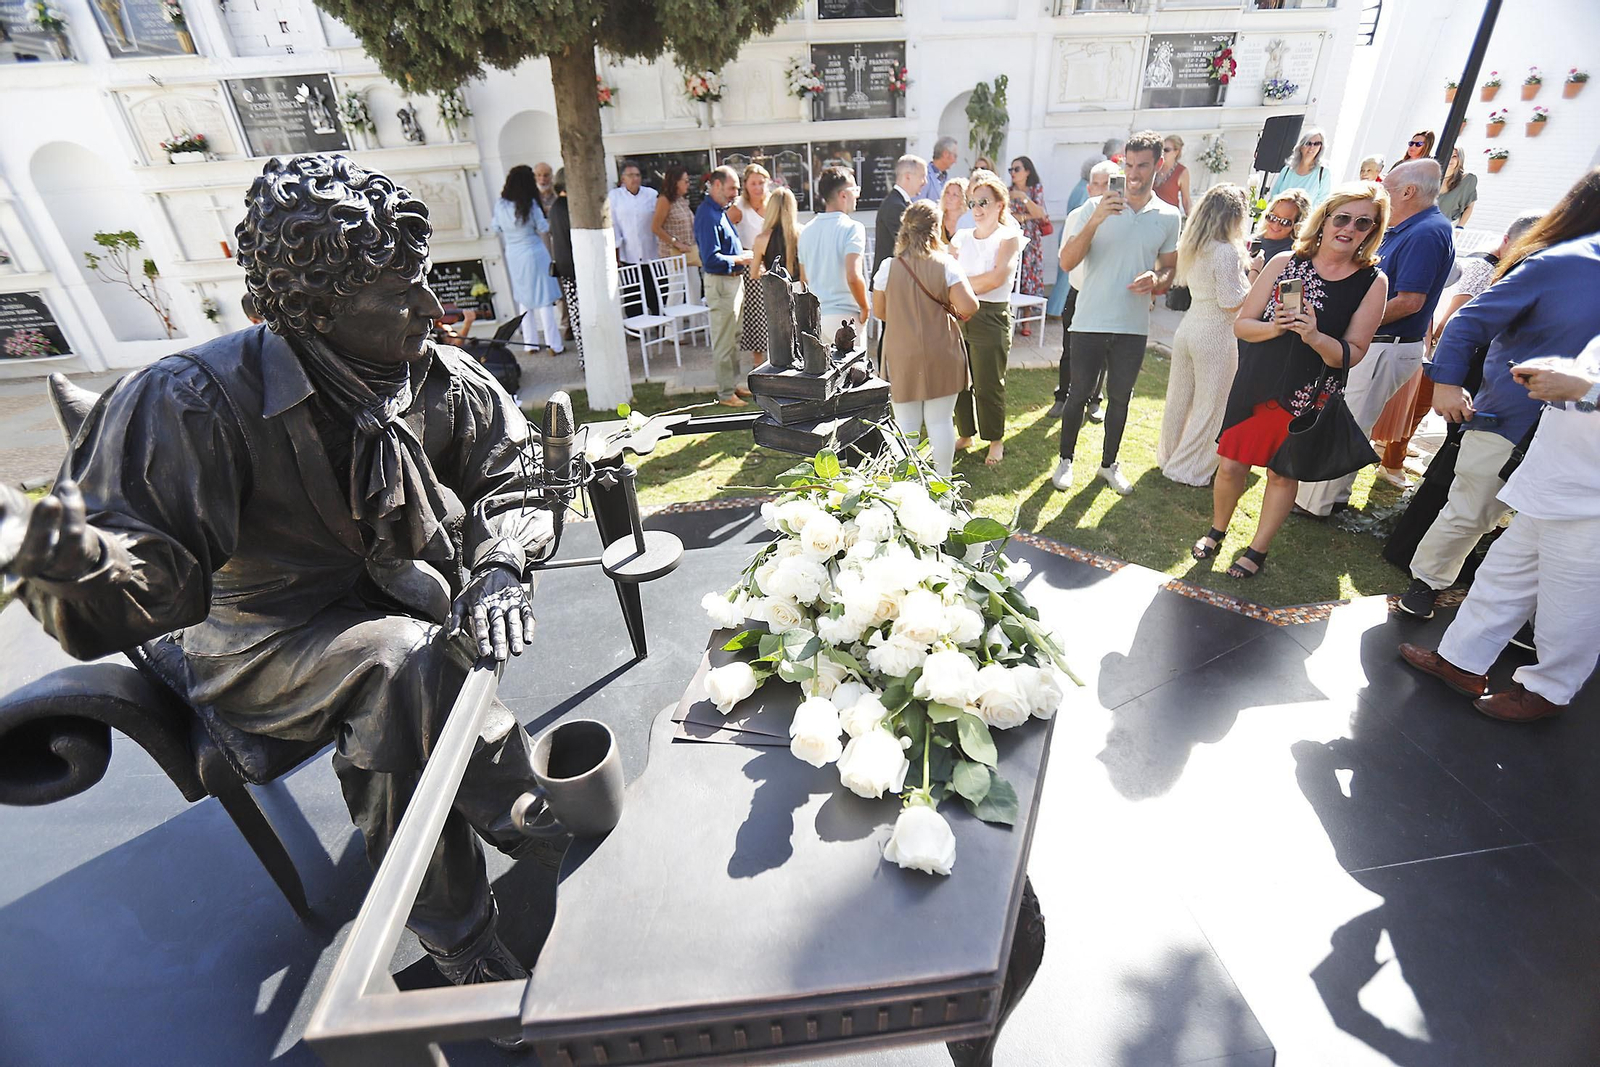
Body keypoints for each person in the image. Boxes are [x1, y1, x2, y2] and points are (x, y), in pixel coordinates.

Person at [6, 155, 553, 1021]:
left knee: (426, 637)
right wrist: (77, 562)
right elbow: (144, 580)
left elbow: (515, 465)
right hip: (254, 638)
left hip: (384, 603)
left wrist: (497, 563)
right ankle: (455, 924)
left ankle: (500, 794)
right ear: (313, 308)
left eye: (423, 278)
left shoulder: (431, 375)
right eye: (398, 291)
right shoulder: (189, 403)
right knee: (399, 660)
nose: (429, 307)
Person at [1397, 170, 1600, 619]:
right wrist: (1446, 385)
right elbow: (1469, 321)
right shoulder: (1556, 264)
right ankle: (1427, 584)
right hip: (1512, 420)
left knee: (1550, 537)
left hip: (1586, 440)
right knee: (1472, 512)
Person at [1399, 335, 1600, 721]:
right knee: (1501, 577)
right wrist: (1557, 378)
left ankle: (1548, 690)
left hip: (1588, 500)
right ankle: (1461, 660)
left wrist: (1579, 387)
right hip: (1556, 478)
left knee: (1573, 607)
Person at [1195, 183, 1390, 577]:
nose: (1349, 228)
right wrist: (1276, 327)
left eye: (1363, 222)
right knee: (1232, 464)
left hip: (1308, 392)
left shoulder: (1373, 282)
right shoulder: (1285, 261)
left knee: (1282, 473)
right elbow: (1243, 326)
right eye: (1342, 218)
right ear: (1325, 219)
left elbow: (1353, 352)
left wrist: (1316, 337)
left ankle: (1257, 549)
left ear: (1372, 230)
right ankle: (1216, 530)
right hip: (1258, 382)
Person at [1294, 159, 1454, 517]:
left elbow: (1410, 301)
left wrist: (1353, 323)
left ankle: (1314, 504)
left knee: (1342, 422)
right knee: (1351, 421)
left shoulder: (1426, 232)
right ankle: (1331, 499)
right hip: (1379, 345)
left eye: (1388, 188)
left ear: (1409, 192)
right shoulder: (1415, 228)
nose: (1381, 195)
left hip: (1383, 346)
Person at [1052, 131, 1181, 495]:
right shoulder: (1092, 208)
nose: (1135, 174)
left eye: (1143, 166)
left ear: (1159, 165)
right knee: (1078, 395)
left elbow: (1170, 267)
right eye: (1129, 165)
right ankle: (1066, 460)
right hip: (1089, 319)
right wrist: (1096, 220)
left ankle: (1109, 465)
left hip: (1133, 326)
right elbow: (1066, 262)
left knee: (1120, 398)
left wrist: (1156, 279)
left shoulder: (1169, 216)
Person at [1372, 213, 1538, 488]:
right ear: (1507, 240)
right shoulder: (1485, 268)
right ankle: (1392, 464)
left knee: (1414, 410)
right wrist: (1439, 353)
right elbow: (1453, 318)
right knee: (1416, 410)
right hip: (1439, 351)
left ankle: (1391, 455)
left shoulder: (1490, 265)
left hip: (1436, 348)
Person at [871, 200, 979, 477]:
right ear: (936, 229)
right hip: (941, 349)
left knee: (906, 425)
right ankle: (943, 483)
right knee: (941, 421)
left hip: (900, 351)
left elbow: (881, 312)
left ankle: (907, 486)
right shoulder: (946, 265)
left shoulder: (888, 267)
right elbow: (969, 306)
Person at [1157, 183, 1251, 487]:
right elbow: (1230, 300)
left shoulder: (1195, 244)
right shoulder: (1225, 252)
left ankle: (1170, 456)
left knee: (1179, 398)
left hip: (1189, 327)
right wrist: (1255, 283)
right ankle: (1187, 468)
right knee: (1211, 405)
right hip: (1215, 333)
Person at [951, 169, 1026, 467]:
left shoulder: (1009, 237)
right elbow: (946, 273)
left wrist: (960, 284)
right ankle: (966, 433)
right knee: (957, 379)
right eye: (973, 203)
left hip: (991, 316)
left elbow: (997, 278)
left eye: (984, 202)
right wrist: (962, 285)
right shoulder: (961, 236)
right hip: (957, 316)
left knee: (988, 382)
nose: (978, 209)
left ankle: (995, 440)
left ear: (1000, 205)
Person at [1047, 160, 1115, 421]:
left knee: (1104, 352)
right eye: (1095, 184)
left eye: (1106, 184)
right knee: (1070, 348)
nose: (1100, 189)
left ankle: (1094, 400)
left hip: (1107, 296)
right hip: (1079, 292)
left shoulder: (1120, 217)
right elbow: (1065, 256)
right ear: (1088, 188)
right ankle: (1062, 396)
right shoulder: (1077, 216)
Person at [489, 164, 563, 355]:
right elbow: (543, 227)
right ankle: (554, 345)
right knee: (545, 299)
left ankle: (530, 344)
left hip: (514, 253)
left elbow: (496, 227)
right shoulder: (529, 203)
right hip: (534, 251)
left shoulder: (501, 204)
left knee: (524, 299)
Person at [696, 166, 754, 407]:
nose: (736, 193)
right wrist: (742, 258)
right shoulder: (707, 215)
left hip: (733, 282)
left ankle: (733, 385)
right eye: (732, 188)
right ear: (717, 185)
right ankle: (725, 393)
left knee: (734, 338)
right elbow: (710, 259)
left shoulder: (720, 211)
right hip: (721, 284)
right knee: (724, 341)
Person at [797, 166, 869, 339]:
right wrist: (865, 306)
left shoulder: (806, 231)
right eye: (855, 189)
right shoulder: (853, 228)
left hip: (816, 318)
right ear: (843, 195)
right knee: (854, 366)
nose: (857, 195)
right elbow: (853, 275)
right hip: (846, 316)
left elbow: (803, 280)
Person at [729, 163, 772, 379]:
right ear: (745, 185)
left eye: (761, 182)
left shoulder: (773, 204)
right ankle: (758, 361)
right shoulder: (739, 207)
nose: (757, 187)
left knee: (776, 310)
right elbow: (725, 231)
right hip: (751, 266)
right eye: (753, 183)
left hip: (773, 263)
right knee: (756, 314)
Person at [1047, 156, 1103, 319]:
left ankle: (1056, 310)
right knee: (1067, 278)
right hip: (1073, 235)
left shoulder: (1079, 186)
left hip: (1071, 233)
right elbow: (1082, 216)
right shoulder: (1083, 191)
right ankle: (1056, 310)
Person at [607, 160, 660, 315]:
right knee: (633, 296)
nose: (634, 178)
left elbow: (658, 220)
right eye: (630, 175)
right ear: (623, 178)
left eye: (637, 175)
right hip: (628, 255)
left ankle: (660, 325)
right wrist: (616, 255)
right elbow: (614, 225)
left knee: (655, 293)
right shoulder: (615, 196)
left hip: (651, 253)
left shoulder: (651, 194)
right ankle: (637, 330)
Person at [1006, 156, 1048, 336]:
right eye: (1011, 170)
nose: (1013, 173)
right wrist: (1026, 216)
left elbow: (1041, 213)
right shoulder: (1007, 191)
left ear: (1027, 171)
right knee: (1013, 275)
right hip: (1012, 238)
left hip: (1031, 240)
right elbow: (1006, 215)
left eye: (1017, 169)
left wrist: (1023, 199)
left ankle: (1027, 322)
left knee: (1029, 276)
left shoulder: (1035, 190)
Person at [547, 168, 582, 368]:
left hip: (565, 268)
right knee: (581, 318)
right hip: (575, 268)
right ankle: (587, 360)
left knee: (576, 317)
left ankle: (584, 359)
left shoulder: (554, 207)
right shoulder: (569, 207)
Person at [876, 154, 927, 280]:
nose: (925, 182)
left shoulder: (899, 202)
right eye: (922, 176)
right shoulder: (895, 206)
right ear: (908, 176)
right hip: (890, 282)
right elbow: (909, 245)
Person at [1247, 188, 1311, 277]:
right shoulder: (1250, 241)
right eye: (1272, 217)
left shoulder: (1293, 255)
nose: (1276, 225)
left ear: (1297, 225)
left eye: (1285, 222)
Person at [751, 185, 801, 292]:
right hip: (798, 290)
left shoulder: (761, 239)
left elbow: (754, 274)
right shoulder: (802, 234)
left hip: (774, 292)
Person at [1267, 127, 1331, 207]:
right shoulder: (1287, 170)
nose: (1312, 147)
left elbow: (1322, 202)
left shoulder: (1323, 173)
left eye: (1317, 144)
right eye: (1308, 143)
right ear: (1301, 147)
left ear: (1321, 147)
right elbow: (1274, 196)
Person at [652, 164, 696, 263]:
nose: (688, 184)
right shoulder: (664, 200)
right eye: (685, 181)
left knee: (694, 279)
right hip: (672, 255)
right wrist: (676, 243)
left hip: (688, 253)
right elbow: (655, 227)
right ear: (676, 182)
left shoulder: (681, 199)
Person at [1436, 146, 1478, 226]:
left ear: (1460, 159)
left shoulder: (1467, 181)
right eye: (1448, 155)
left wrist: (1460, 228)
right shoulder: (1431, 178)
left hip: (1445, 228)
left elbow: (1469, 207)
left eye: (1454, 156)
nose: (1450, 159)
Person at [1154, 135, 1192, 217]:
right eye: (1161, 150)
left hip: (1169, 218)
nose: (1162, 153)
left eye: (1166, 150)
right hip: (1151, 216)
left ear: (1176, 152)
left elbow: (1186, 201)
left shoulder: (1182, 172)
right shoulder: (1154, 167)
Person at [922, 137, 959, 205]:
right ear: (945, 154)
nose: (955, 161)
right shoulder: (923, 175)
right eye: (955, 156)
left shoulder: (947, 179)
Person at [940, 176, 972, 242]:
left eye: (955, 195)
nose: (949, 198)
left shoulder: (969, 221)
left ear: (963, 199)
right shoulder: (938, 219)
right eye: (947, 193)